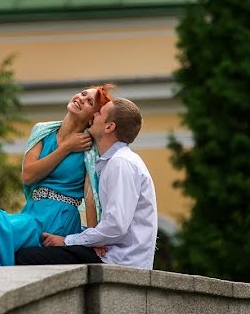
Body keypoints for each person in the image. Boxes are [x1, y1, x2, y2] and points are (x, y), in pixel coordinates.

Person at [0, 84, 115, 269]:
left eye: (89, 101)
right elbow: (29, 175)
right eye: (83, 94)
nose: (81, 98)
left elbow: (90, 193)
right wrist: (66, 148)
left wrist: (93, 238)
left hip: (59, 218)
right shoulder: (43, 132)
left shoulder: (89, 148)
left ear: (93, 117)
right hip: (32, 211)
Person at [14, 97, 158, 269]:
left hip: (117, 258)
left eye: (100, 113)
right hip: (114, 253)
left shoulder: (120, 163)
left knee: (23, 257)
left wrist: (67, 240)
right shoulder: (113, 162)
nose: (94, 114)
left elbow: (115, 226)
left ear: (109, 127)